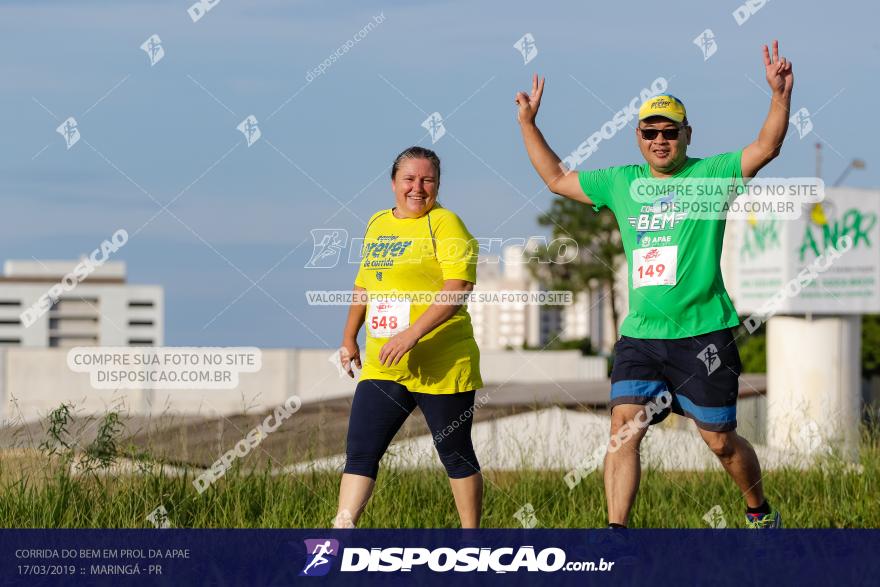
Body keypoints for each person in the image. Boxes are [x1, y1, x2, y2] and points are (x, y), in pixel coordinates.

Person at [515, 41, 794, 528]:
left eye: (669, 131)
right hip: (642, 335)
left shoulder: (711, 174)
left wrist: (779, 96)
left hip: (703, 333)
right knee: (623, 429)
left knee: (720, 441)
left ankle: (759, 510)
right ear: (638, 137)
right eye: (650, 132)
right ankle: (616, 534)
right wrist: (528, 125)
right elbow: (559, 178)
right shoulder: (621, 182)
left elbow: (765, 147)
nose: (660, 140)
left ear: (687, 134)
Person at [332, 146, 484, 528]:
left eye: (427, 180)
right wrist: (349, 337)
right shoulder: (378, 223)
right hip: (385, 363)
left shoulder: (446, 224)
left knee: (454, 453)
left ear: (437, 184)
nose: (418, 188)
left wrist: (413, 334)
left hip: (443, 363)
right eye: (409, 179)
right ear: (393, 183)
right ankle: (342, 530)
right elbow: (364, 284)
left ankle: (472, 540)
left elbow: (458, 286)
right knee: (361, 451)